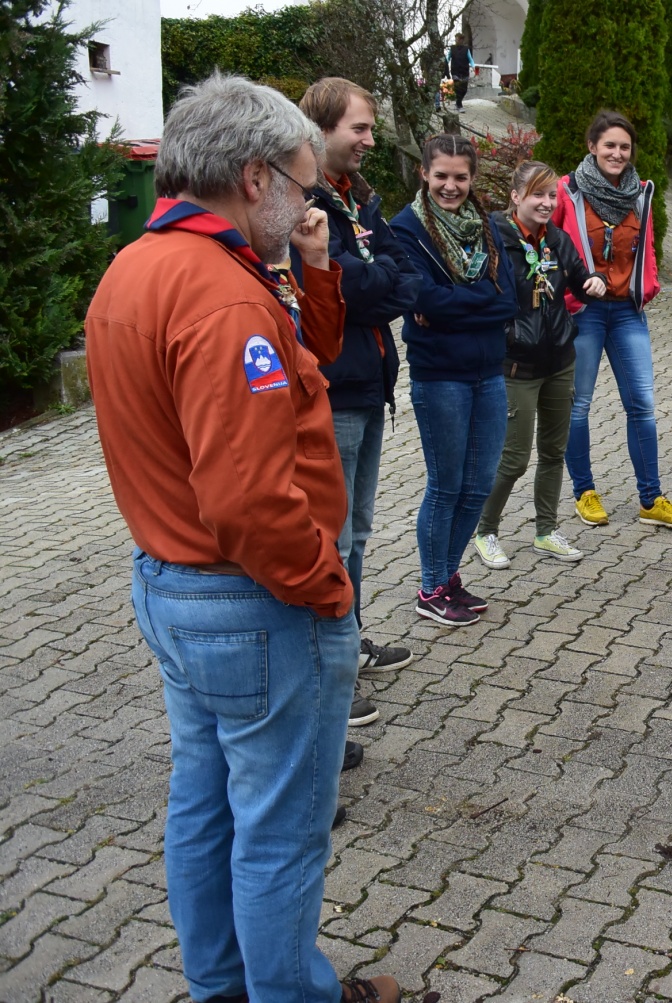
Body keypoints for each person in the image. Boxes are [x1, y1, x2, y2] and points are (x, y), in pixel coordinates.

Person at [84, 73, 400, 1003]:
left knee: (206, 804)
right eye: (302, 185)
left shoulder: (134, 269)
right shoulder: (223, 298)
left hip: (173, 585)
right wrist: (327, 587)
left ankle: (222, 986)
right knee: (280, 829)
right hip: (252, 600)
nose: (308, 208)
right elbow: (251, 499)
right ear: (255, 177)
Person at [294, 76, 422, 723]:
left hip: (371, 387)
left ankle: (349, 644)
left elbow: (405, 278)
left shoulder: (357, 197)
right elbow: (344, 287)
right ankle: (328, 674)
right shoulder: (305, 204)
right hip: (335, 392)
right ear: (321, 131)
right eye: (360, 128)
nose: (371, 139)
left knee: (359, 534)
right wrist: (373, 282)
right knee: (334, 539)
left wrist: (374, 281)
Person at [391, 133, 519, 627]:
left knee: (479, 484)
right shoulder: (406, 229)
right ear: (424, 173)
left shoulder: (485, 225)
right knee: (446, 486)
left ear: (472, 178)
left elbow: (509, 299)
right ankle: (431, 588)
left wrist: (455, 307)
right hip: (440, 375)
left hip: (488, 373)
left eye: (460, 177)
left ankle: (447, 576)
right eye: (441, 175)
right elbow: (425, 300)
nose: (450, 186)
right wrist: (478, 303)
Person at [553, 110, 672, 530]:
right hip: (584, 312)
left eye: (624, 147)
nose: (617, 153)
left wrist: (647, 286)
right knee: (578, 405)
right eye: (609, 145)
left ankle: (651, 499)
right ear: (592, 147)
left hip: (627, 313)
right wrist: (567, 290)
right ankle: (584, 492)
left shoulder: (640, 193)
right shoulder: (567, 191)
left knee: (642, 405)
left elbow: (646, 246)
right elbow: (550, 244)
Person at [473, 161, 606, 568]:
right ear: (516, 196)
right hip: (517, 367)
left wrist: (595, 281)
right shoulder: (495, 239)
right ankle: (485, 531)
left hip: (560, 360)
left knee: (553, 452)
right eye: (537, 195)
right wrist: (508, 334)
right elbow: (482, 295)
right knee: (513, 458)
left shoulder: (558, 240)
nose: (547, 203)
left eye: (552, 195)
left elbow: (582, 278)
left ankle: (546, 531)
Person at [448, 32, 474, 112]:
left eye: (458, 39)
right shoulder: (452, 48)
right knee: (458, 89)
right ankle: (460, 106)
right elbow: (447, 58)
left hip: (464, 71)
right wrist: (444, 65)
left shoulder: (466, 49)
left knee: (464, 90)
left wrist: (473, 66)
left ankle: (457, 103)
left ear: (461, 40)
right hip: (455, 71)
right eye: (456, 39)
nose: (456, 40)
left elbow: (470, 59)